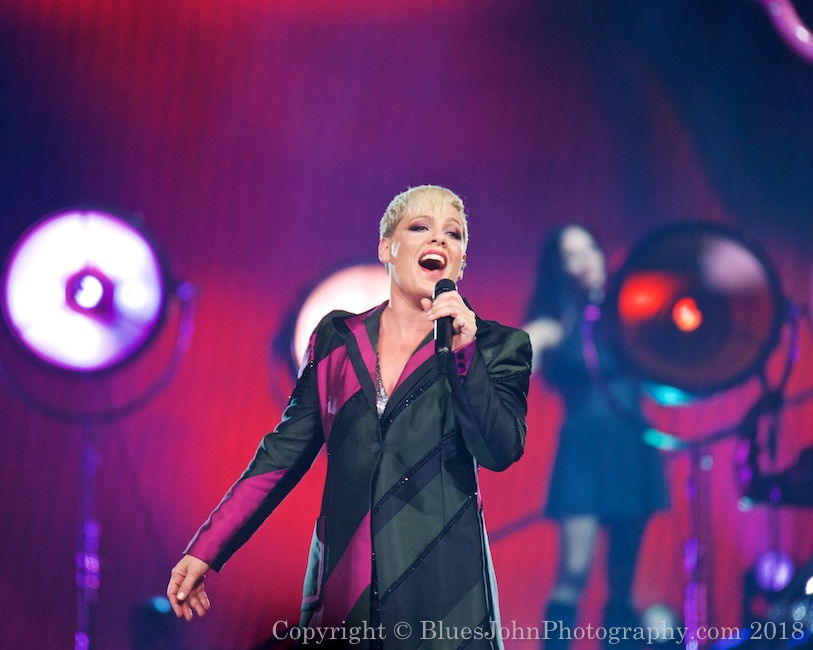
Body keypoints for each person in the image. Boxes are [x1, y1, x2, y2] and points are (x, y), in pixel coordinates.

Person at [167, 185, 532, 649]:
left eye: (453, 235)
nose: (438, 241)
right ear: (386, 247)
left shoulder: (497, 346)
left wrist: (464, 356)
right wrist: (207, 547)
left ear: (461, 262)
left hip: (443, 596)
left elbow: (499, 449)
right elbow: (281, 455)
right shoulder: (337, 339)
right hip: (344, 588)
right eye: (420, 227)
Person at [523, 225, 668, 649]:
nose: (585, 259)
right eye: (572, 255)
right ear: (559, 269)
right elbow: (512, 360)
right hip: (583, 454)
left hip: (632, 446)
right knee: (574, 570)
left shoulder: (628, 313)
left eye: (590, 248)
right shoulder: (555, 324)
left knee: (623, 578)